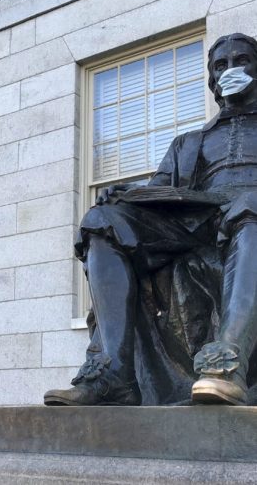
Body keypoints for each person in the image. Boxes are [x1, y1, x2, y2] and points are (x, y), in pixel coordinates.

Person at [45, 33, 257, 407]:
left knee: (249, 206)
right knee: (104, 220)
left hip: (251, 215)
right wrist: (128, 194)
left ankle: (228, 365)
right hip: (198, 218)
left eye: (242, 61)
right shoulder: (188, 142)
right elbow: (161, 191)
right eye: (221, 65)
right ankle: (112, 376)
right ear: (212, 81)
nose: (230, 70)